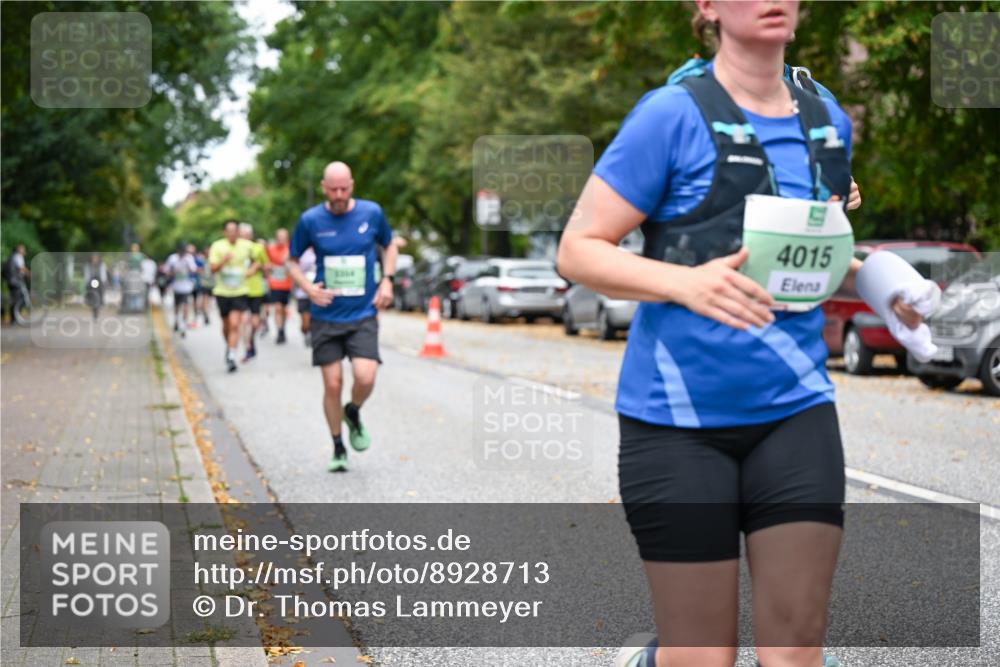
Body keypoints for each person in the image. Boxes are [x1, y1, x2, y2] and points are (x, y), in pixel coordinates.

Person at [556, 3, 919, 667]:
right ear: (708, 7)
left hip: (795, 410)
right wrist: (682, 282)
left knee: (796, 651)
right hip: (676, 422)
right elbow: (578, 250)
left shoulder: (827, 120)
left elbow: (802, 252)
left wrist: (879, 281)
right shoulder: (670, 115)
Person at [287, 161, 396, 473]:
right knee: (332, 384)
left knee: (365, 376)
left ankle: (354, 411)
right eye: (332, 189)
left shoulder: (371, 213)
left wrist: (387, 279)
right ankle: (338, 446)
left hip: (363, 312)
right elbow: (292, 262)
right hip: (325, 314)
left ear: (352, 185)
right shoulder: (310, 220)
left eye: (343, 189)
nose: (338, 195)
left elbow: (390, 246)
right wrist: (308, 288)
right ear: (323, 187)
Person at [209, 220, 257, 373]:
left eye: (235, 230)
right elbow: (212, 268)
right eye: (229, 230)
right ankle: (230, 346)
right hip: (222, 292)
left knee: (235, 324)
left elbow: (261, 259)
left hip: (239, 291)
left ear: (238, 232)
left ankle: (231, 355)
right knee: (226, 326)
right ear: (224, 232)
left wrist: (252, 270)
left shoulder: (246, 245)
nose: (232, 233)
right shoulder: (217, 246)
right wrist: (223, 260)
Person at [237, 223, 268, 362]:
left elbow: (268, 266)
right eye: (241, 235)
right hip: (239, 289)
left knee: (254, 322)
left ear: (251, 236)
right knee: (244, 320)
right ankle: (247, 348)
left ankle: (251, 341)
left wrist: (258, 266)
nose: (244, 238)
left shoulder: (258, 248)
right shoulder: (234, 249)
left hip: (256, 289)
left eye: (246, 235)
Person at [266, 228, 294, 344]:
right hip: (274, 283)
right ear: (276, 237)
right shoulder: (270, 249)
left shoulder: (291, 248)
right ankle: (279, 330)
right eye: (279, 236)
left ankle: (283, 327)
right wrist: (270, 267)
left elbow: (295, 263)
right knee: (277, 308)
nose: (281, 239)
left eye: (284, 237)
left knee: (283, 309)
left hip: (287, 284)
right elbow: (266, 264)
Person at [166, 243, 199, 337]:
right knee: (176, 305)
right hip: (176, 286)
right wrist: (172, 271)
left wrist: (189, 266)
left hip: (186, 286)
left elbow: (194, 270)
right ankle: (177, 320)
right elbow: (166, 271)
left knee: (185, 305)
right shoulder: (172, 258)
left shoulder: (189, 258)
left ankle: (183, 324)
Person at [294, 247, 316, 347]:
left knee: (316, 319)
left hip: (319, 293)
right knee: (305, 323)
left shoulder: (325, 248)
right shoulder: (302, 254)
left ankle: (313, 335)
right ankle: (306, 331)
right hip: (303, 293)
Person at [3, 244, 29, 323]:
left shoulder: (13, 257)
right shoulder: (18, 257)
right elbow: (21, 268)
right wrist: (29, 274)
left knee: (15, 299)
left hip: (11, 282)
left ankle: (14, 318)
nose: (24, 251)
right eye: (23, 249)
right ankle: (15, 318)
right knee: (19, 299)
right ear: (19, 250)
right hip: (16, 282)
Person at [198, 245, 215, 325]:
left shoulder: (213, 260)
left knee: (210, 300)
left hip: (212, 283)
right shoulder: (201, 260)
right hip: (204, 282)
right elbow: (198, 270)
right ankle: (205, 313)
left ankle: (206, 312)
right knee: (205, 299)